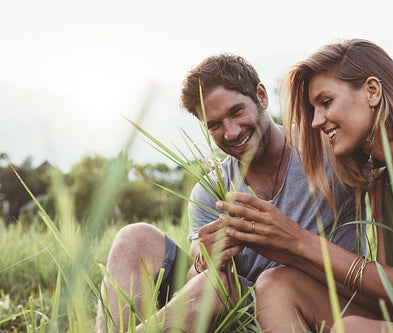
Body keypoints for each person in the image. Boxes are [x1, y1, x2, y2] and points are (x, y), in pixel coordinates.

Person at [215, 39, 393, 332]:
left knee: (351, 329)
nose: (315, 122)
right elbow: (392, 302)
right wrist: (287, 252)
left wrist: (299, 240)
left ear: (372, 91)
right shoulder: (380, 180)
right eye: (313, 109)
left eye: (326, 102)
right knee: (277, 283)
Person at [95, 54, 362, 333]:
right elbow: (194, 283)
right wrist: (203, 259)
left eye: (236, 112)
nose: (231, 132)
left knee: (219, 285)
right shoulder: (209, 191)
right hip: (236, 315)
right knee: (133, 238)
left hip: (307, 302)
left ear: (261, 95)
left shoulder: (330, 151)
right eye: (215, 125)